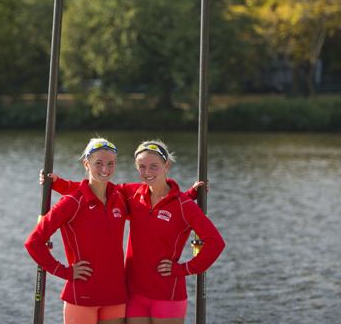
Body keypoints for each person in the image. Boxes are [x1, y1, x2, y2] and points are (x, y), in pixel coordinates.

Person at [42, 139, 225, 324]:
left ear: (166, 166)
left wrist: (185, 269)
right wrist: (58, 184)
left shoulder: (183, 204)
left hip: (168, 293)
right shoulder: (130, 194)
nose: (147, 172)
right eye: (142, 167)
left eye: (154, 166)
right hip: (133, 295)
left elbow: (215, 243)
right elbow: (95, 187)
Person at [25, 138, 128, 324]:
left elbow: (155, 200)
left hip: (116, 296)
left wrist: (193, 195)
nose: (105, 169)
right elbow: (34, 242)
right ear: (86, 164)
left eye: (110, 164)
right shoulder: (72, 202)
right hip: (82, 296)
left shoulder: (120, 197)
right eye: (98, 163)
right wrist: (64, 271)